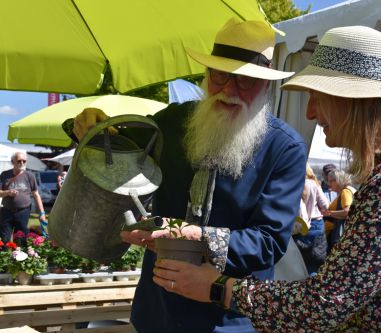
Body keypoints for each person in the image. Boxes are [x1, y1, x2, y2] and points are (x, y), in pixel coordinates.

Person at [153, 26, 381, 332]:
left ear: (357, 101)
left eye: (317, 96)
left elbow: (326, 303)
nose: (311, 113)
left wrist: (218, 287)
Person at [69, 18, 307, 333]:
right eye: (221, 75)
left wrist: (192, 235)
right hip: (157, 312)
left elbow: (268, 242)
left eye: (245, 81)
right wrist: (86, 125)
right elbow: (115, 149)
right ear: (207, 74)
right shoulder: (171, 122)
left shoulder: (284, 147)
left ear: (265, 84)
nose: (229, 90)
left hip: (227, 319)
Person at [0, 152, 47, 244]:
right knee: (4, 239)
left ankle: (20, 257)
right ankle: (4, 257)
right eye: (19, 161)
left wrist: (42, 213)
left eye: (24, 161)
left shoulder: (29, 176)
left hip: (23, 212)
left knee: (21, 240)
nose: (22, 163)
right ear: (13, 162)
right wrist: (7, 192)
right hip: (6, 211)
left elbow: (36, 195)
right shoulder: (4, 175)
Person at [294, 163, 329, 275]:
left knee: (298, 259)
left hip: (299, 224)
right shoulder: (315, 184)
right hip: (317, 224)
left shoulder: (295, 184)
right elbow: (325, 205)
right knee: (314, 260)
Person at [322, 169, 356, 250]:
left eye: (331, 181)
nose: (329, 184)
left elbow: (347, 211)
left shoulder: (345, 192)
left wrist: (329, 213)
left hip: (339, 233)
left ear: (338, 180)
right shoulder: (348, 190)